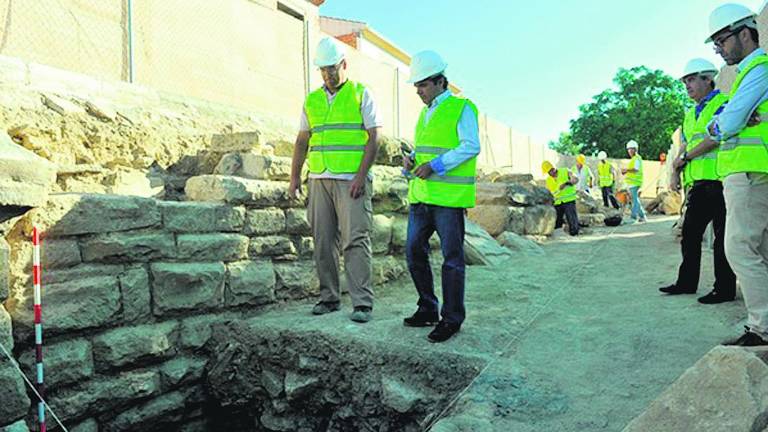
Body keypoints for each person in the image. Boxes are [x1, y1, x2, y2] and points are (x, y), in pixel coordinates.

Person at [679, 3, 768, 345]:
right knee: (755, 248)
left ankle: (761, 328)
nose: (717, 47)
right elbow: (728, 122)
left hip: (747, 173)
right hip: (741, 173)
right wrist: (731, 120)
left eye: (720, 39)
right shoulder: (749, 73)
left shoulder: (757, 68)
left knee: (738, 248)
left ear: (744, 32)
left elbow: (726, 124)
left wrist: (729, 121)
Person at [288, 37, 381, 323]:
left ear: (344, 64)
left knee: (355, 240)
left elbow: (374, 138)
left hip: (350, 181)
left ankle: (362, 303)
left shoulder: (360, 93)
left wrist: (360, 177)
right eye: (323, 69)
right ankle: (329, 298)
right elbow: (302, 141)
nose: (328, 74)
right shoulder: (312, 100)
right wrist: (294, 178)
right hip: (318, 180)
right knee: (323, 241)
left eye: (332, 68)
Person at [401, 50, 480, 343]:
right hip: (421, 196)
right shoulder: (425, 113)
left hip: (448, 200)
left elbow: (471, 146)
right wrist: (412, 159)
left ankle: (452, 319)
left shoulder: (462, 108)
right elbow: (426, 150)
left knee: (452, 259)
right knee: (413, 251)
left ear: (439, 81)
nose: (418, 91)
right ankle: (428, 308)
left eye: (422, 85)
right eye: (416, 86)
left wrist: (435, 165)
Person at [660, 58, 736, 304]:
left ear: (708, 79)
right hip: (698, 185)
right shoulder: (690, 114)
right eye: (685, 81)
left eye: (692, 80)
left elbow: (716, 138)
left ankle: (724, 289)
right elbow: (684, 144)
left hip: (720, 181)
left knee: (722, 239)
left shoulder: (722, 103)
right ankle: (686, 283)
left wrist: (686, 157)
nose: (687, 86)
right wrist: (675, 170)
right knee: (690, 234)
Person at [543, 160, 580, 236]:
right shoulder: (548, 180)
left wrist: (569, 182)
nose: (550, 174)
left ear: (553, 168)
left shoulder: (565, 171)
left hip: (569, 200)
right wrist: (559, 189)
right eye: (548, 172)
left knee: (571, 218)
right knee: (557, 221)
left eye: (550, 171)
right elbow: (550, 193)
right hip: (557, 202)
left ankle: (574, 234)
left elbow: (576, 179)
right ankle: (559, 235)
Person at [622, 140, 647, 223]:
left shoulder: (636, 159)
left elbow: (635, 169)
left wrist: (626, 170)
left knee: (635, 200)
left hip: (635, 183)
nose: (629, 151)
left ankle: (633, 217)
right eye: (628, 149)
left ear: (635, 149)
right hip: (633, 183)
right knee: (636, 200)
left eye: (631, 149)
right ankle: (642, 216)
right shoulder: (634, 159)